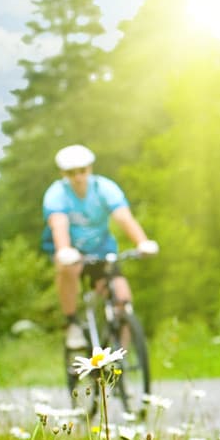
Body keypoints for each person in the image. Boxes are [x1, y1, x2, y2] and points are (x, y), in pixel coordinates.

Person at [41, 144, 158, 349]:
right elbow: (59, 224)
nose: (78, 177)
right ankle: (72, 324)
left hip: (101, 247)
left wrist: (142, 242)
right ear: (63, 174)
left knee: (122, 299)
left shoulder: (104, 188)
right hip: (70, 248)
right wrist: (64, 250)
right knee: (68, 268)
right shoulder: (56, 193)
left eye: (82, 171)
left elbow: (123, 217)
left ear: (90, 168)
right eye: (71, 173)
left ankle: (119, 357)